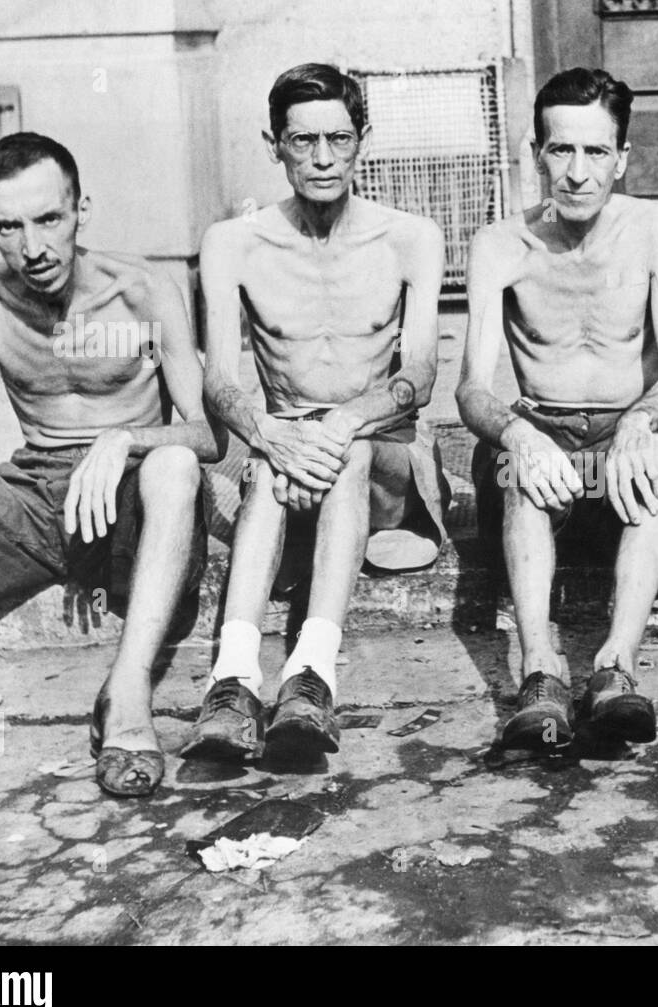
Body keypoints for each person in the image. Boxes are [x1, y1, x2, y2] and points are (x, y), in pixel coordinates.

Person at [0, 132, 219, 795]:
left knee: (175, 469)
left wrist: (129, 440)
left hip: (130, 498)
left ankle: (127, 699)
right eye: (9, 227)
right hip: (37, 496)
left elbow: (207, 435)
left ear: (82, 210)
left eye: (49, 218)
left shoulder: (142, 289)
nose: (32, 247)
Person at [186, 63, 449, 765]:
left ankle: (313, 674)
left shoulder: (410, 237)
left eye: (339, 137)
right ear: (275, 143)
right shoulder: (233, 242)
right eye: (304, 141)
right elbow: (218, 378)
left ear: (363, 138)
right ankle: (234, 679)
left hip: (383, 458)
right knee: (273, 457)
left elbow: (418, 376)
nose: (324, 158)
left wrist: (340, 424)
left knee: (351, 448)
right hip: (285, 455)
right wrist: (269, 430)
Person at [457, 67, 658, 751]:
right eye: (561, 150)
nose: (578, 172)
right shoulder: (500, 244)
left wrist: (641, 418)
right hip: (546, 437)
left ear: (622, 158)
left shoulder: (652, 226)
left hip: (629, 441)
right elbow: (471, 386)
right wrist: (516, 430)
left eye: (597, 152)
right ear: (538, 153)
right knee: (518, 470)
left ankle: (616, 667)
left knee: (654, 458)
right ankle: (539, 672)